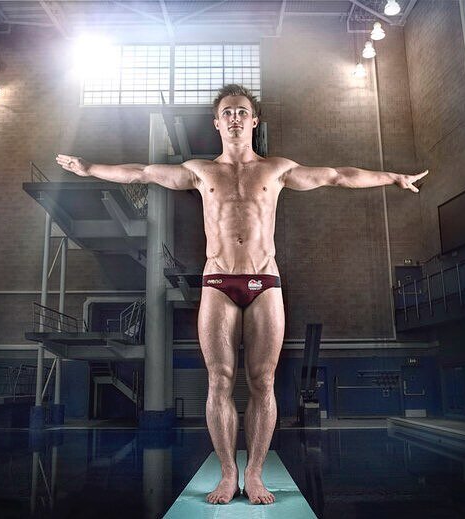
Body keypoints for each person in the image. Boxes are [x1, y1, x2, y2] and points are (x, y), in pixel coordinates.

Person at [56, 84, 428, 505]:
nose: (234, 117)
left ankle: (254, 473)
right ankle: (227, 472)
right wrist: (89, 169)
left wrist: (394, 177)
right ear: (217, 123)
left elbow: (338, 176)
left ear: (254, 121)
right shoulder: (199, 171)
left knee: (262, 380)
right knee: (219, 379)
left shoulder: (277, 170)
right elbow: (141, 171)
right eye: (227, 112)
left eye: (242, 111)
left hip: (265, 281)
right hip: (218, 282)